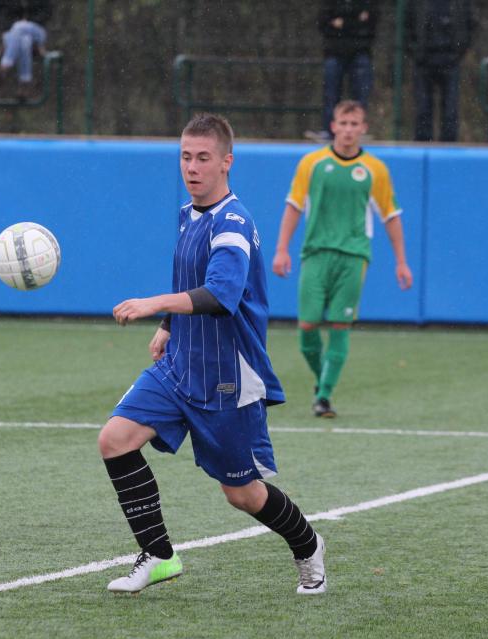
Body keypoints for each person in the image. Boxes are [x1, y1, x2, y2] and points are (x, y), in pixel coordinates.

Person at [99, 113, 328, 596]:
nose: (192, 167)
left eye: (203, 158)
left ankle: (308, 544)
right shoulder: (189, 214)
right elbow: (191, 279)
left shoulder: (233, 224)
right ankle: (159, 555)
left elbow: (221, 294)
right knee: (115, 440)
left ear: (227, 162)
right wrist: (169, 326)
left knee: (242, 494)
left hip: (228, 378)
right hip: (180, 365)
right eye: (186, 157)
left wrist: (154, 304)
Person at [273, 100, 412, 419]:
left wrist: (401, 261)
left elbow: (391, 215)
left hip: (354, 256)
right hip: (315, 254)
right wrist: (281, 249)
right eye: (343, 123)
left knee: (340, 324)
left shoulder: (375, 170)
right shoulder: (312, 163)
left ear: (363, 129)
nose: (348, 130)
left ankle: (323, 396)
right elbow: (294, 205)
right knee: (307, 326)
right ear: (333, 126)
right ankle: (322, 377)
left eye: (354, 124)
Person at [307, 0, 378, 141]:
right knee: (331, 95)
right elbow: (323, 23)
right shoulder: (330, 5)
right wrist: (355, 23)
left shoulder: (368, 4)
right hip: (334, 52)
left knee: (360, 95)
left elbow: (372, 23)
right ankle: (329, 131)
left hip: (360, 51)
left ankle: (358, 132)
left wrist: (343, 24)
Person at [406, 0, 475, 142]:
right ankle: (422, 146)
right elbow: (407, 25)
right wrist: (416, 52)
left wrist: (458, 52)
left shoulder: (460, 3)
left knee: (451, 110)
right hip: (424, 60)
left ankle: (449, 148)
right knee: (423, 109)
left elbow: (470, 24)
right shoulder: (416, 3)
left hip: (450, 60)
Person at [0, 4, 48, 101]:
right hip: (16, 34)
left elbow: (45, 14)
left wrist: (28, 20)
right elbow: (0, 14)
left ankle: (5, 66)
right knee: (25, 42)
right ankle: (24, 85)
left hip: (37, 32)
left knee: (18, 27)